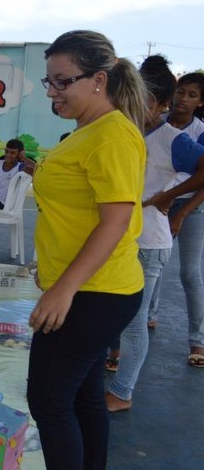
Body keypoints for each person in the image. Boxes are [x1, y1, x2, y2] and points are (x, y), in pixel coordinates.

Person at [26, 30, 147, 470]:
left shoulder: (111, 136)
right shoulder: (89, 130)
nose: (53, 93)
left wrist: (64, 289)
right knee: (83, 398)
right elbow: (78, 214)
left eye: (63, 82)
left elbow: (115, 223)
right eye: (49, 82)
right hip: (88, 288)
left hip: (94, 293)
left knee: (49, 401)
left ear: (98, 80)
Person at [105, 55, 204, 412]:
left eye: (149, 100)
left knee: (134, 321)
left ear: (163, 105)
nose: (139, 104)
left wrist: (169, 197)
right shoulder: (124, 130)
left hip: (149, 242)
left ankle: (122, 391)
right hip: (122, 238)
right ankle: (114, 360)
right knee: (112, 311)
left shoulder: (171, 139)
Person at [149, 72, 204, 368]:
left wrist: (181, 211)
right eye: (181, 92)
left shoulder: (199, 131)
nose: (184, 99)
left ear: (200, 102)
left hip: (191, 208)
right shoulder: (159, 123)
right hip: (158, 205)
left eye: (192, 95)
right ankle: (148, 317)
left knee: (189, 274)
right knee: (153, 264)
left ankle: (198, 340)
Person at [0, 138, 35, 249]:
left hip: (5, 203)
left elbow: (37, 171)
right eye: (6, 151)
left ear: (19, 154)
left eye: (12, 153)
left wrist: (24, 158)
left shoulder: (20, 167)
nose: (8, 155)